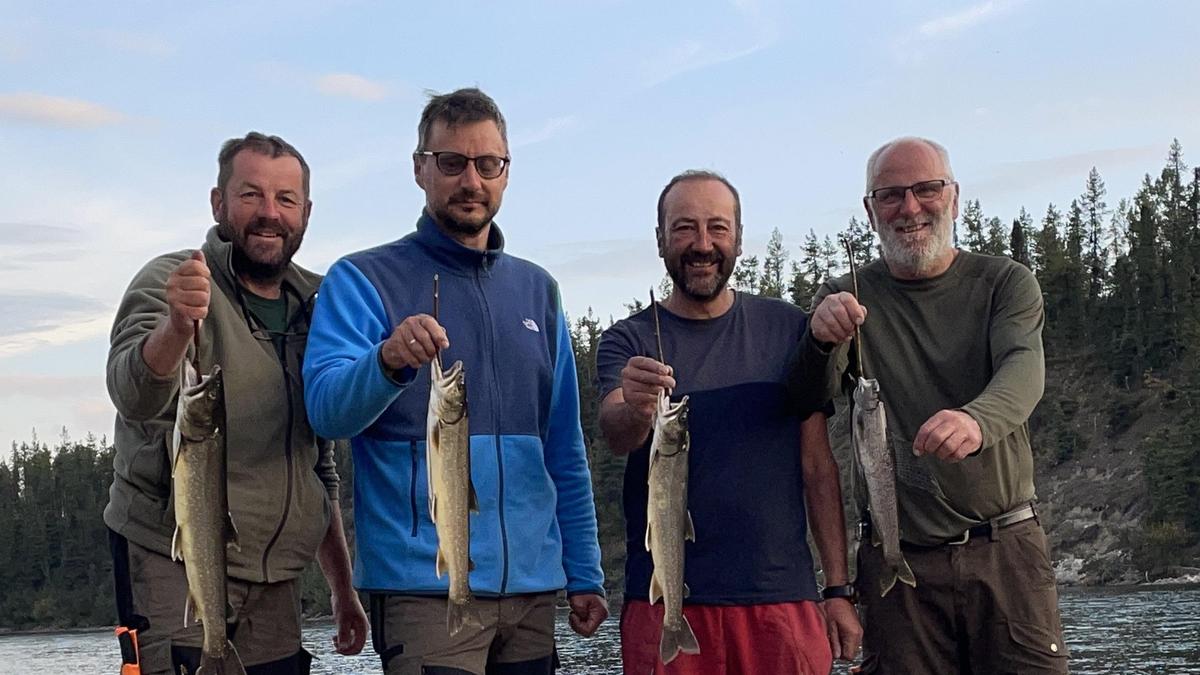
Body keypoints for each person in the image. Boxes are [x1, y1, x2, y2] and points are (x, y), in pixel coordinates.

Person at [302, 87, 607, 675]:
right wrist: (387, 363)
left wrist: (585, 571)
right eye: (451, 162)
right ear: (420, 169)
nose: (471, 179)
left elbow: (564, 448)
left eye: (487, 164)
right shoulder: (362, 279)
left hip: (532, 595)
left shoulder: (538, 291)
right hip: (423, 589)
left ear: (506, 173)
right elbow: (325, 410)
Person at [799, 137, 1070, 673]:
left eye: (927, 190)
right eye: (891, 195)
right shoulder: (844, 297)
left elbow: (1023, 370)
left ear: (954, 196)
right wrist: (820, 340)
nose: (911, 208)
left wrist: (976, 419)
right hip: (896, 568)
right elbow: (807, 396)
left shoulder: (1006, 283)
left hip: (1006, 552)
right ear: (870, 210)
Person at [104, 132, 368, 674]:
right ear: (218, 203)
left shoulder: (320, 307)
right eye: (250, 195)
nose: (269, 213)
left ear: (306, 212)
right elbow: (133, 393)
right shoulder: (171, 280)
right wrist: (177, 327)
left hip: (278, 584)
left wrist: (343, 589)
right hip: (170, 561)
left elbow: (319, 465)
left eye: (285, 199)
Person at [596, 170, 863, 675]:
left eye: (717, 228)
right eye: (684, 229)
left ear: (738, 239)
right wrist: (633, 403)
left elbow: (817, 468)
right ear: (660, 241)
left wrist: (838, 590)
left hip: (783, 601)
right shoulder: (628, 340)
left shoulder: (788, 329)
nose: (702, 244)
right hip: (663, 603)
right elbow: (617, 433)